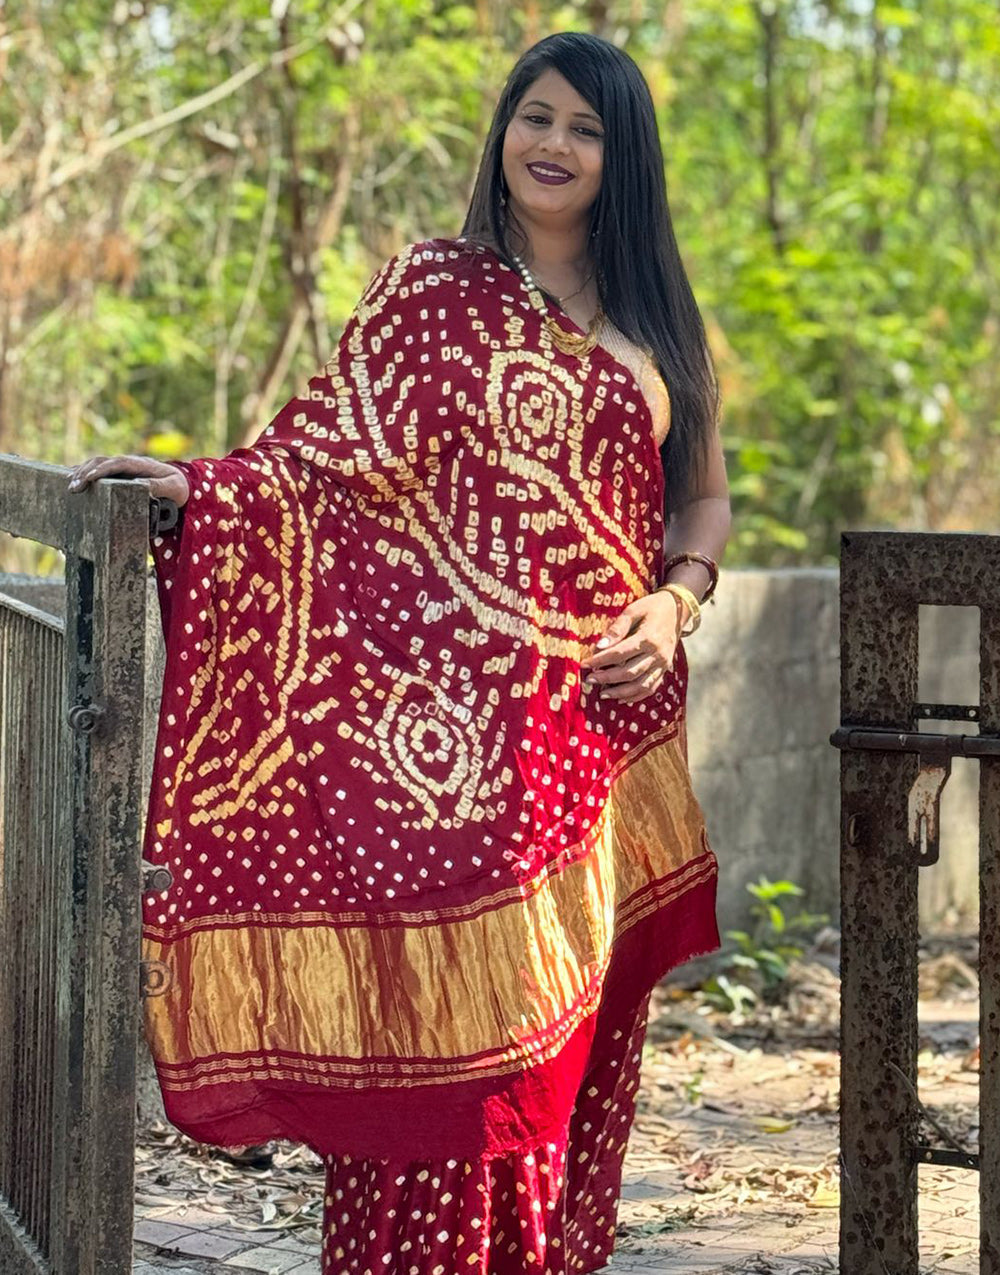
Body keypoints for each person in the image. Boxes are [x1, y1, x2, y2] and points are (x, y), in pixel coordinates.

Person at [68, 30, 730, 1275]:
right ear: (502, 133)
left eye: (584, 129)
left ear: (621, 156)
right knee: (448, 1048)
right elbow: (317, 471)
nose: (552, 145)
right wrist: (195, 490)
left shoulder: (658, 319)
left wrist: (673, 602)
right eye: (534, 116)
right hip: (447, 755)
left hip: (595, 737)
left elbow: (699, 504)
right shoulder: (431, 291)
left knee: (569, 1053)